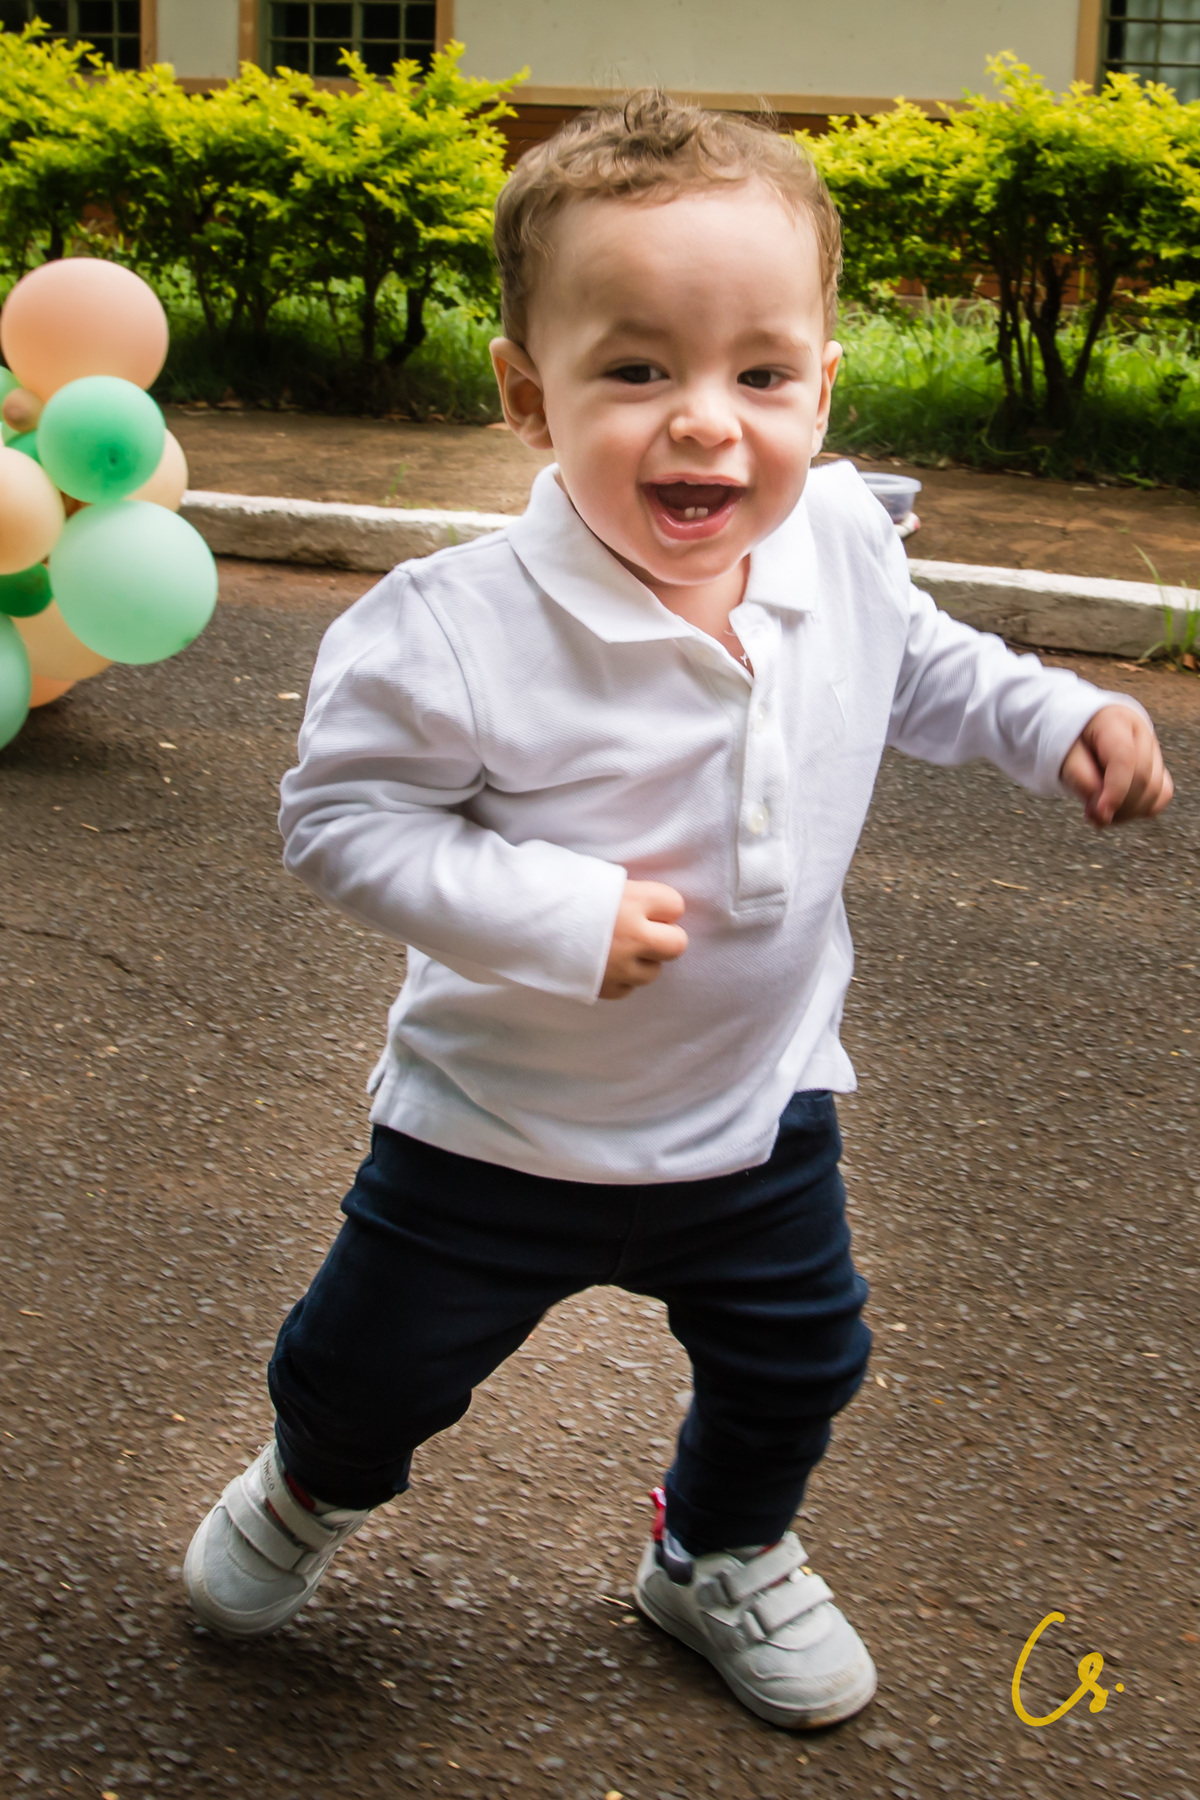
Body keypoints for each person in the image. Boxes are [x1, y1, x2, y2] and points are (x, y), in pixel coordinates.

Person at [182, 92, 1172, 1730]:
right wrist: (559, 911)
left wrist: (1049, 717)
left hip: (756, 1108)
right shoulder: (449, 631)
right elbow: (340, 823)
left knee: (802, 1361)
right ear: (527, 392)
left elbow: (923, 666)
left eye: (760, 374)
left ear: (823, 384)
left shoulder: (837, 540)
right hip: (496, 1130)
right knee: (370, 1371)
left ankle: (714, 1549)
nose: (708, 423)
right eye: (637, 370)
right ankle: (309, 1487)